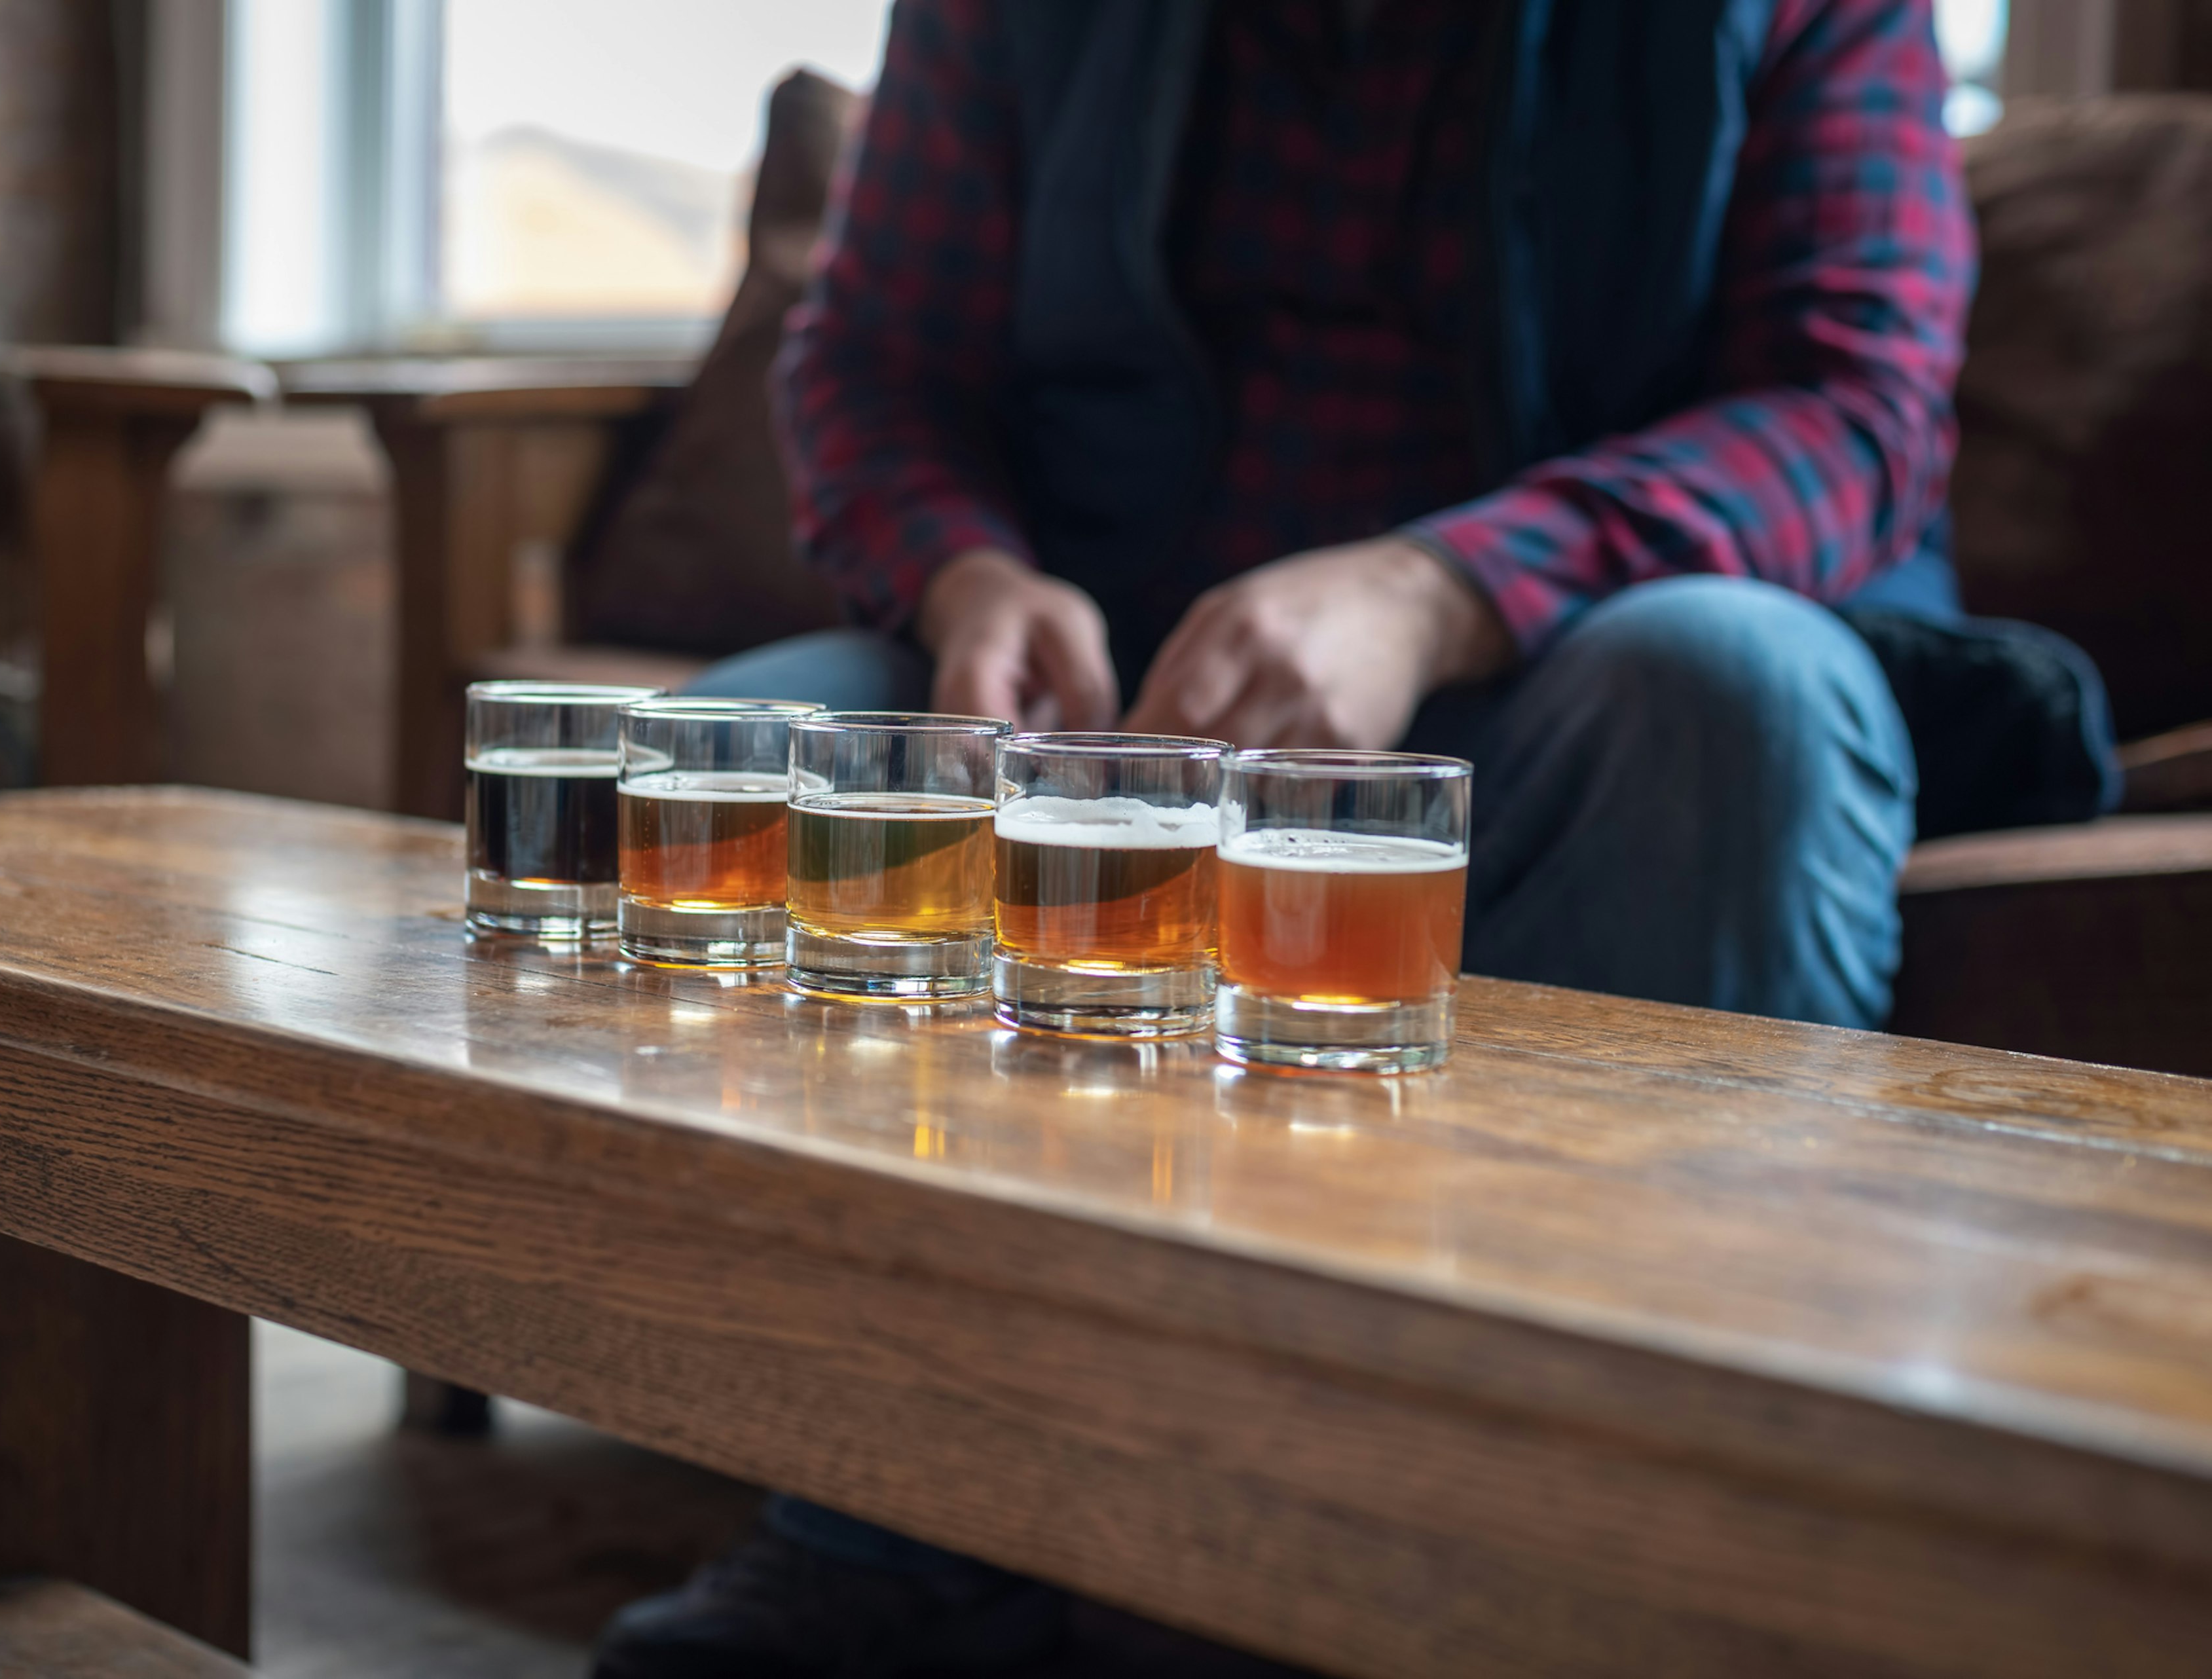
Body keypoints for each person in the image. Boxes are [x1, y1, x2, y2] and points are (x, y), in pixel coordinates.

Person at [596, 0, 1993, 1672]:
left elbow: (1855, 407)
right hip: (1115, 695)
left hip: (1576, 662)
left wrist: (1442, 585)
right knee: (743, 744)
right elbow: (877, 362)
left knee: (1730, 692)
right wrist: (963, 573)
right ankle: (890, 1512)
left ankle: (1561, 1568)